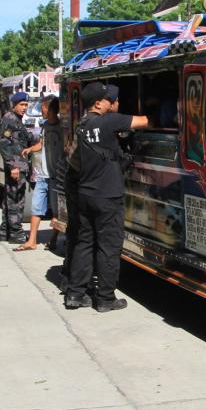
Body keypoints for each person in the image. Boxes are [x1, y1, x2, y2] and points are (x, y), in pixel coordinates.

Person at [65, 82, 148, 312]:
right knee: (108, 247)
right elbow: (143, 121)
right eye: (108, 100)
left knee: (84, 244)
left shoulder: (81, 125)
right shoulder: (108, 121)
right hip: (108, 196)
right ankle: (105, 298)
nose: (112, 103)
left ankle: (75, 294)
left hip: (85, 193)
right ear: (98, 103)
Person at [15, 98, 61, 251]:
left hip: (56, 177)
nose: (41, 111)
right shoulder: (46, 126)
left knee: (57, 211)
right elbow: (41, 143)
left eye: (43, 108)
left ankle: (53, 239)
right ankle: (32, 240)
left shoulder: (62, 127)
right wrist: (30, 149)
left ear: (50, 109)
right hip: (42, 175)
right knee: (36, 208)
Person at [0, 91, 36, 244]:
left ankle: (5, 231)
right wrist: (13, 166)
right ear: (14, 105)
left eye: (26, 105)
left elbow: (23, 139)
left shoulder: (17, 119)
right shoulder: (10, 119)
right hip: (16, 165)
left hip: (19, 164)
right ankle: (15, 232)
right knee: (16, 199)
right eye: (21, 105)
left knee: (10, 198)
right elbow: (5, 143)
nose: (24, 108)